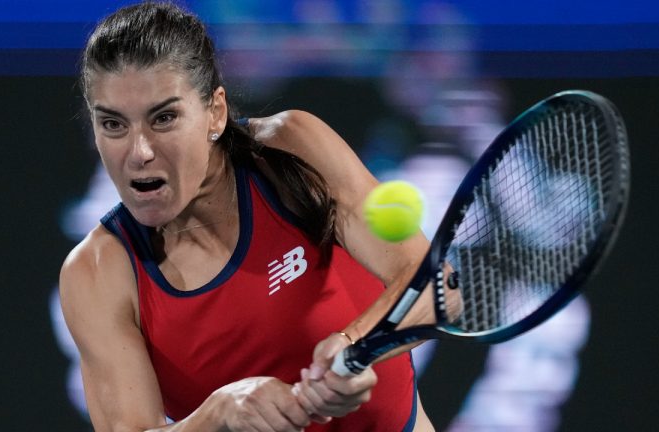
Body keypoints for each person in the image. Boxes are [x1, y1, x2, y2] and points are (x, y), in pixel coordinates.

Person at [59, 2, 445, 431]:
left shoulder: (289, 154)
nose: (139, 152)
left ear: (215, 113)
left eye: (164, 118)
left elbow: (437, 287)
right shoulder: (97, 272)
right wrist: (218, 415)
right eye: (113, 124)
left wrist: (356, 347)